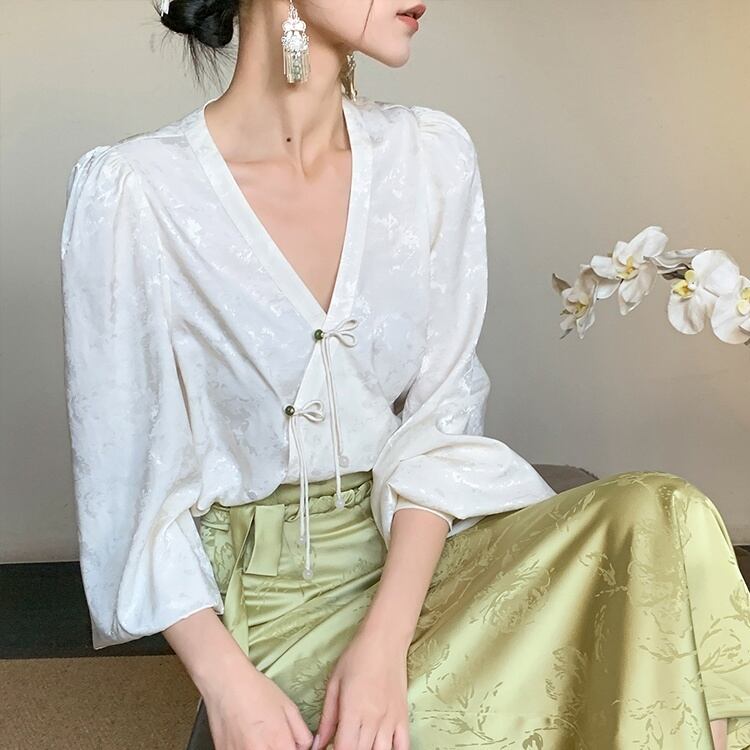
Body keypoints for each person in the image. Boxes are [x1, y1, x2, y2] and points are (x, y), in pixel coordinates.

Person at [59, 1, 750, 748]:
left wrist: (384, 646)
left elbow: (440, 417)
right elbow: (126, 490)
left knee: (664, 513)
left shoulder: (431, 156)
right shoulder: (134, 191)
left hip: (424, 560)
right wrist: (227, 687)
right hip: (277, 606)